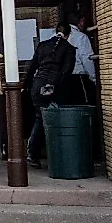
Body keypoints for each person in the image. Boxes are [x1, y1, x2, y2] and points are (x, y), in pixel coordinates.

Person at [28, 23, 77, 167]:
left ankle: (33, 152)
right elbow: (66, 72)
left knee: (40, 117)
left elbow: (32, 67)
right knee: (55, 119)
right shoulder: (68, 48)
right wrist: (55, 86)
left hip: (38, 84)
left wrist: (26, 85)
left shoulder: (43, 45)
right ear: (68, 34)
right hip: (53, 86)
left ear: (56, 31)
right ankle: (55, 153)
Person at [67, 14, 97, 105]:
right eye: (83, 21)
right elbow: (86, 59)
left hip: (61, 78)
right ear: (79, 22)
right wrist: (93, 77)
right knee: (83, 105)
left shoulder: (56, 36)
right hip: (79, 78)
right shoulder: (81, 37)